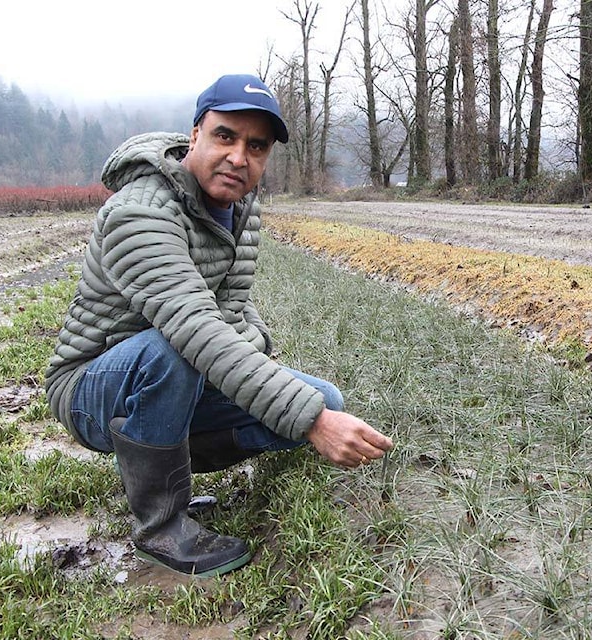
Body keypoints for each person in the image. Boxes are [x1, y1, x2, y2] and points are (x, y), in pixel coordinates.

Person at [44, 74, 393, 578]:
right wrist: (311, 421)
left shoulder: (239, 209)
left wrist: (297, 399)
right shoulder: (140, 211)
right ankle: (160, 526)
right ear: (195, 135)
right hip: (91, 385)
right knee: (181, 353)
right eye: (225, 136)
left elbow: (232, 313)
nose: (238, 157)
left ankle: (170, 469)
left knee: (323, 400)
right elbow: (198, 329)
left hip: (176, 365)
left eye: (256, 146)